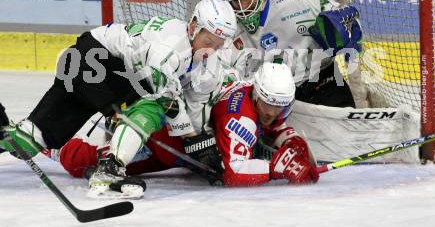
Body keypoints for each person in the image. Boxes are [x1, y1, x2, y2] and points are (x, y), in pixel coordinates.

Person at [0, 0, 237, 198]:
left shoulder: (203, 59)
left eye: (218, 45)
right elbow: (166, 100)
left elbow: (194, 104)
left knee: (30, 140)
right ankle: (110, 169)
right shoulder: (169, 46)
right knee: (149, 106)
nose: (211, 50)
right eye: (208, 41)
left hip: (84, 63)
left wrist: (199, 141)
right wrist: (191, 139)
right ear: (194, 26)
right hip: (94, 62)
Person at [45, 62, 319, 187]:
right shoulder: (241, 119)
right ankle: (47, 142)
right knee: (88, 162)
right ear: (257, 95)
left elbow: (273, 125)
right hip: (166, 141)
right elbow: (233, 173)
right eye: (268, 103)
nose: (272, 112)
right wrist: (276, 168)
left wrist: (292, 142)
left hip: (188, 135)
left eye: (280, 106)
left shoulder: (253, 94)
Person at [221, 0, 362, 107]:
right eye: (235, 1)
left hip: (322, 77)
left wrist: (350, 30)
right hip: (270, 96)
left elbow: (343, 17)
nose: (242, 8)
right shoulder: (227, 24)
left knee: (350, 126)